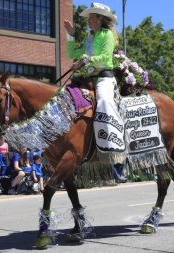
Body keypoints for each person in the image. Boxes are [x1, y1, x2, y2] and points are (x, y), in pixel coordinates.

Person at [64, 2, 126, 164]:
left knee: (105, 102)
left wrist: (85, 60)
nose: (88, 20)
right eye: (89, 18)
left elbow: (105, 57)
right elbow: (72, 53)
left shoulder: (107, 35)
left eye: (91, 17)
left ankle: (116, 152)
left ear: (100, 19)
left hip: (104, 78)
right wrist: (71, 35)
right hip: (89, 80)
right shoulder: (90, 37)